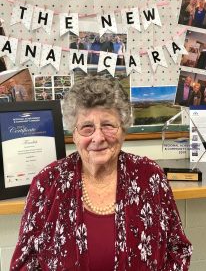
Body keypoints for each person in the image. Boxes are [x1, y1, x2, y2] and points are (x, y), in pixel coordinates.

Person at [10, 75, 192, 270]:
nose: (98, 137)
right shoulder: (47, 183)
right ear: (75, 134)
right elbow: (24, 262)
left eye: (108, 125)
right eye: (87, 127)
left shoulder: (150, 177)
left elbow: (178, 249)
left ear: (123, 130)